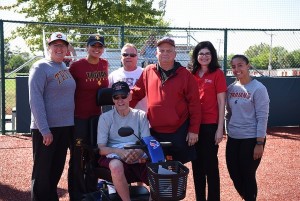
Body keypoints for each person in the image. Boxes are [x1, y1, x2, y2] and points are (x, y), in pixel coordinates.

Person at [130, 37, 202, 164]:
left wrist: (193, 130)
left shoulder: (185, 75)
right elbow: (135, 93)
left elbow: (195, 104)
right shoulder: (148, 71)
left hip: (178, 130)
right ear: (156, 53)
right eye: (161, 50)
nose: (165, 54)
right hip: (154, 131)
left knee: (176, 169)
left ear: (175, 54)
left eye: (169, 51)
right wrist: (121, 108)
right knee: (155, 168)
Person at [29, 32, 76, 201]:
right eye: (55, 45)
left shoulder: (64, 67)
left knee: (55, 169)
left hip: (65, 127)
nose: (59, 48)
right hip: (47, 129)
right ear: (49, 47)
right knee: (42, 172)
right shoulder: (40, 67)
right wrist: (44, 129)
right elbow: (35, 99)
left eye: (62, 45)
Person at [68, 34, 109, 201]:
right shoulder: (76, 66)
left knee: (94, 156)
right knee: (77, 157)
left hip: (96, 119)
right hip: (78, 118)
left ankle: (91, 191)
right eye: (93, 46)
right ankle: (77, 194)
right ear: (87, 47)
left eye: (100, 46)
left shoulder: (104, 64)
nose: (96, 49)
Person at [225, 55, 270, 201]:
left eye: (240, 65)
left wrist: (259, 143)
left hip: (251, 139)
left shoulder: (258, 88)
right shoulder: (231, 88)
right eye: (233, 66)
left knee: (248, 174)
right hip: (233, 138)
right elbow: (228, 113)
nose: (237, 69)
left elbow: (262, 117)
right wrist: (228, 131)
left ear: (248, 66)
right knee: (234, 174)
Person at [97, 81, 150, 201]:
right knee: (115, 166)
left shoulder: (141, 115)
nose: (120, 100)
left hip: (137, 151)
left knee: (160, 168)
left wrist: (138, 152)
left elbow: (146, 142)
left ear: (130, 96)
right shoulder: (105, 118)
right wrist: (120, 152)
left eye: (123, 96)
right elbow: (101, 148)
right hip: (114, 153)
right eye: (116, 97)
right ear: (113, 99)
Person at [190, 41, 227, 201]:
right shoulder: (191, 73)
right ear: (196, 56)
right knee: (197, 165)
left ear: (212, 56)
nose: (204, 57)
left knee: (210, 166)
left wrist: (220, 128)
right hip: (193, 127)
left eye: (207, 53)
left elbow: (221, 102)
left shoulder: (217, 73)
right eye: (201, 54)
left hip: (210, 126)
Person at [108, 43, 147, 112]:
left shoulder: (145, 73)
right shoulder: (113, 75)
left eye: (132, 55)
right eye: (125, 55)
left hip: (141, 117)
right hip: (120, 117)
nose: (128, 57)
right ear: (121, 57)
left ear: (137, 57)